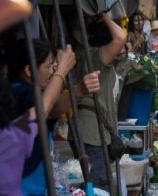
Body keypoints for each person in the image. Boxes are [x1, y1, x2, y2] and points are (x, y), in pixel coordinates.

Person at [6, 40, 100, 196]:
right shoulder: (21, 93)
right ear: (29, 70)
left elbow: (50, 107)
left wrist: (78, 90)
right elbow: (49, 108)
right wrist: (63, 74)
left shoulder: (21, 91)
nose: (52, 71)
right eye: (49, 66)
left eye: (54, 66)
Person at [72, 13, 126, 190]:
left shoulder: (83, 52)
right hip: (92, 132)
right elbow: (120, 37)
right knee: (97, 185)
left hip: (87, 129)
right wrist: (103, 15)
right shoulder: (98, 57)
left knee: (93, 183)